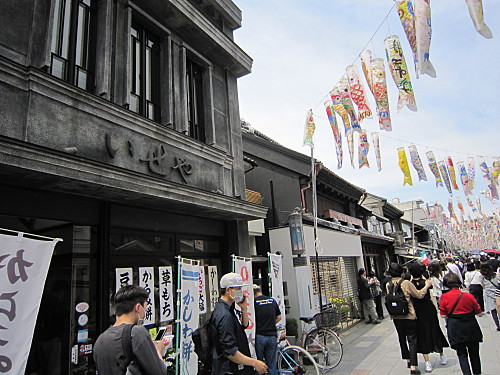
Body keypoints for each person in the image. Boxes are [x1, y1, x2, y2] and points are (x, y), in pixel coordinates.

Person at [93, 285, 169, 375]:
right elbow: (160, 372)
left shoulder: (101, 339)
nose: (145, 312)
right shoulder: (137, 333)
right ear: (138, 308)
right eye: (145, 308)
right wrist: (157, 350)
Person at [211, 273, 268, 375]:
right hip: (230, 369)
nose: (241, 292)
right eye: (238, 289)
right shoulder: (224, 315)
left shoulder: (228, 308)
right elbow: (230, 351)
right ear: (228, 290)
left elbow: (244, 326)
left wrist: (244, 308)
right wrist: (254, 363)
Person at [387, 263, 433, 375]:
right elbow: (418, 295)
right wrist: (426, 286)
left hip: (396, 316)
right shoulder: (406, 283)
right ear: (401, 273)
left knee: (401, 338)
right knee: (412, 340)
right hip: (409, 315)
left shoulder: (388, 284)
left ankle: (408, 360)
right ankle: (413, 367)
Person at [408, 263, 449, 373]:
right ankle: (442, 355)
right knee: (435, 330)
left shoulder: (410, 284)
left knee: (422, 334)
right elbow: (429, 288)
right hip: (428, 309)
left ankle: (427, 362)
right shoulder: (426, 282)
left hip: (417, 310)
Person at [439, 272, 483, 375]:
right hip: (471, 326)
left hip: (455, 327)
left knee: (462, 354)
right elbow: (479, 313)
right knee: (474, 354)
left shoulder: (444, 297)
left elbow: (443, 315)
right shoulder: (468, 296)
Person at [253, 285, 282, 375]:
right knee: (272, 365)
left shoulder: (254, 302)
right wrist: (270, 324)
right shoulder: (272, 300)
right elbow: (279, 317)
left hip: (259, 336)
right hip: (272, 336)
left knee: (258, 364)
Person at [480, 263, 500, 331]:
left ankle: (498, 325)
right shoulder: (495, 275)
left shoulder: (482, 277)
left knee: (493, 311)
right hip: (497, 293)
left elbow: (482, 285)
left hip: (489, 294)